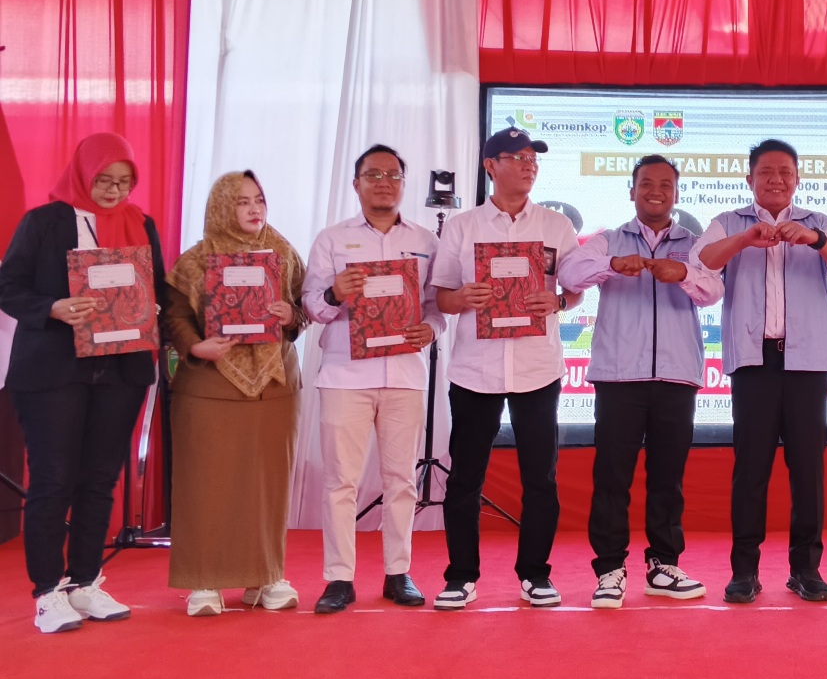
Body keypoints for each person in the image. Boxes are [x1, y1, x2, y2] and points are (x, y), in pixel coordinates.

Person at [0, 133, 168, 633]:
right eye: (104, 180)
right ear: (82, 174)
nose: (114, 191)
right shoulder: (44, 221)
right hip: (54, 371)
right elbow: (7, 285)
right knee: (53, 481)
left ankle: (85, 581)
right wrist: (52, 308)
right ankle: (47, 592)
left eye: (124, 181)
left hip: (120, 370)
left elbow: (157, 284)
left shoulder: (142, 223)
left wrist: (153, 306)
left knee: (98, 480)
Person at [691, 139, 827, 604]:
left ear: (797, 179)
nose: (776, 180)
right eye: (766, 172)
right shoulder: (729, 222)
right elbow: (701, 261)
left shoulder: (817, 221)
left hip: (807, 362)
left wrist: (815, 240)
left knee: (808, 471)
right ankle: (744, 570)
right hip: (754, 361)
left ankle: (805, 569)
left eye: (785, 172)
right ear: (750, 179)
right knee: (751, 469)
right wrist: (744, 240)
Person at [558, 154, 722, 608]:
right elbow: (569, 274)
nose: (656, 191)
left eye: (666, 184)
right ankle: (610, 569)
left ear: (676, 193)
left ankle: (663, 565)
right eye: (647, 183)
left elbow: (714, 290)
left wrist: (683, 273)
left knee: (668, 478)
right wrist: (613, 264)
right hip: (618, 376)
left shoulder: (695, 245)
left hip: (677, 375)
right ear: (631, 191)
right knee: (612, 476)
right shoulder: (608, 240)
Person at [430, 127, 581, 610]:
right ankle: (460, 576)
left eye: (533, 158)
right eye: (517, 157)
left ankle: (535, 574)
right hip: (475, 369)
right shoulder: (462, 226)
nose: (528, 165)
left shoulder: (557, 225)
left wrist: (558, 301)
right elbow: (442, 297)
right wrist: (463, 297)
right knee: (465, 478)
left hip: (537, 367)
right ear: (490, 166)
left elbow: (575, 290)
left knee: (541, 478)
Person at [301, 144, 445, 614]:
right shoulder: (331, 239)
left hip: (404, 374)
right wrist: (333, 292)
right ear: (356, 183)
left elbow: (435, 307)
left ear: (403, 183)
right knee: (340, 482)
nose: (384, 182)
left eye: (393, 175)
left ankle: (398, 572)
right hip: (345, 374)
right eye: (374, 174)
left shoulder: (426, 241)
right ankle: (339, 578)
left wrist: (432, 329)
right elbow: (312, 308)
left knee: (401, 480)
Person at [166, 171, 308, 617]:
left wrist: (290, 316)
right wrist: (195, 346)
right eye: (241, 201)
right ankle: (203, 580)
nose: (253, 209)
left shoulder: (284, 254)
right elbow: (173, 317)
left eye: (259, 199)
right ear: (221, 206)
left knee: (267, 484)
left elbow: (305, 309)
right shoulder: (194, 261)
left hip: (274, 387)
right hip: (209, 386)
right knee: (205, 482)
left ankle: (266, 577)